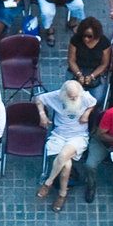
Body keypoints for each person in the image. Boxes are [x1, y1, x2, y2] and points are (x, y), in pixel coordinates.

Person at [35, 80, 96, 208]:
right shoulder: (57, 95)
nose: (73, 98)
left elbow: (93, 103)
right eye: (70, 97)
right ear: (64, 94)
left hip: (78, 136)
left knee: (63, 154)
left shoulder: (85, 97)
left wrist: (87, 113)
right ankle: (62, 194)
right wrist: (42, 114)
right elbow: (39, 98)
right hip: (59, 134)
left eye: (75, 96)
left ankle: (48, 182)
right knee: (66, 166)